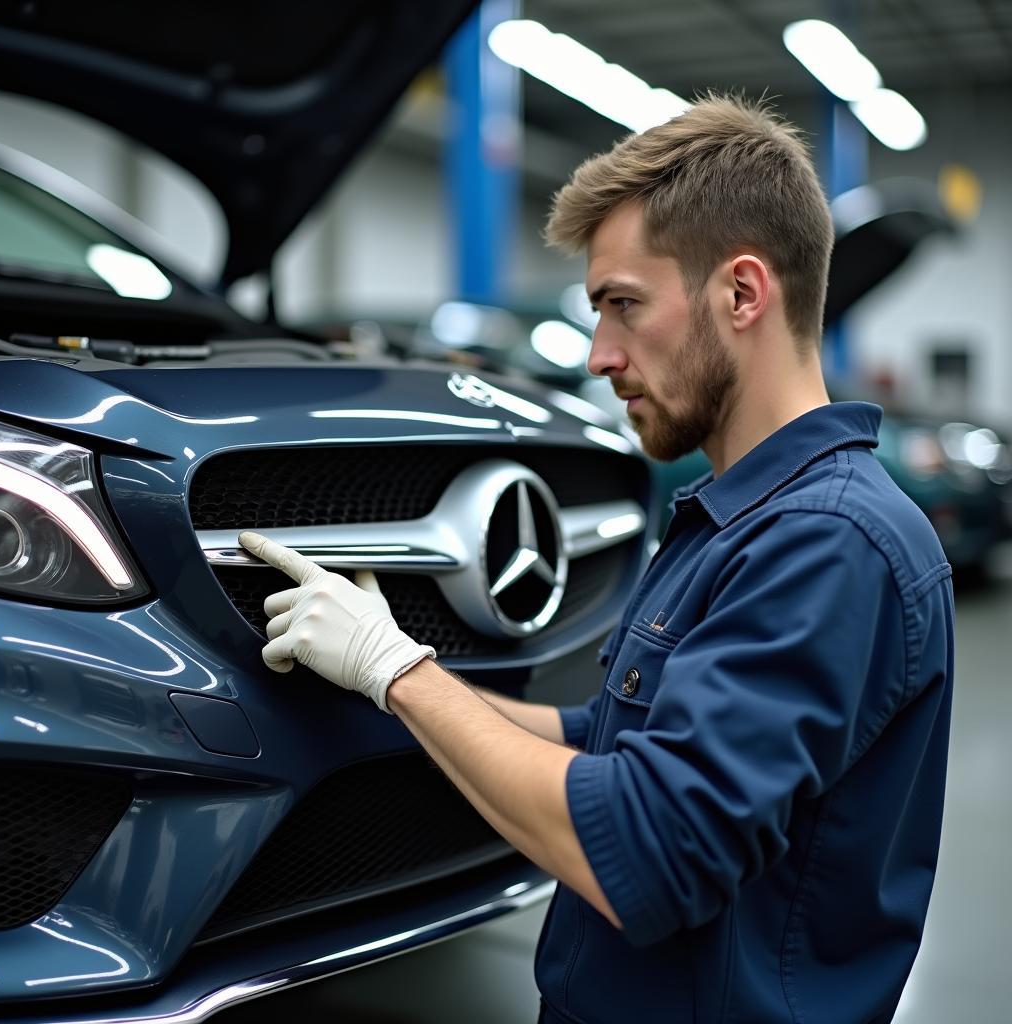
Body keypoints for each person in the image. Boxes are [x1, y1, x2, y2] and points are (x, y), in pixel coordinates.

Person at [239, 94, 955, 1024]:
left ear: (743, 293)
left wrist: (401, 672)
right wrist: (383, 684)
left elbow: (651, 850)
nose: (599, 354)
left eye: (624, 306)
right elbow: (604, 743)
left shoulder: (826, 543)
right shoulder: (740, 519)